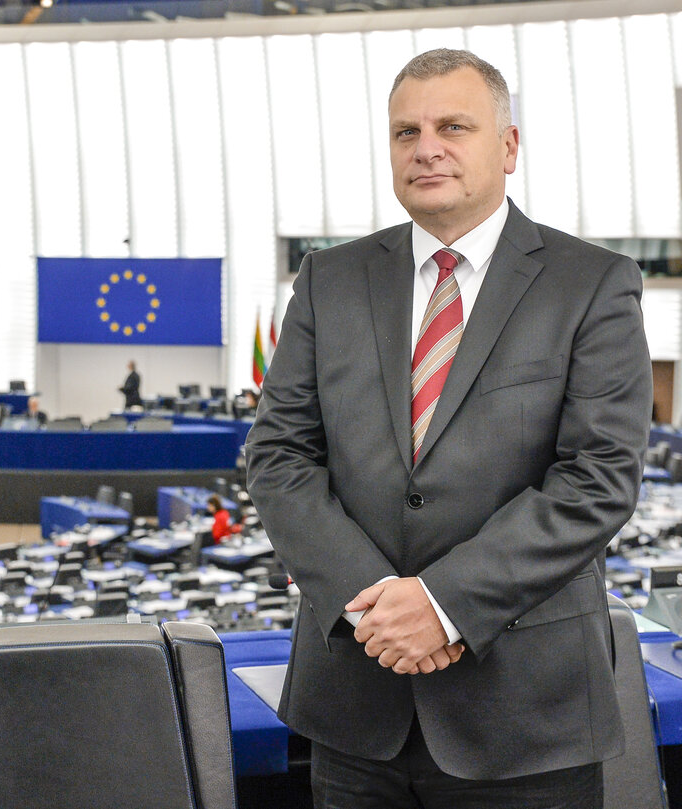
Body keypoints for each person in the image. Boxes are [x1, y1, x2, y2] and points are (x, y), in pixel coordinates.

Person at [244, 49, 651, 807]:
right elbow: (277, 456)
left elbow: (597, 481)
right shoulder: (329, 279)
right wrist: (376, 601)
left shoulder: (592, 283)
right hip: (356, 707)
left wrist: (442, 603)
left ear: (508, 146)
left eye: (452, 126)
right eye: (406, 132)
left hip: (526, 719)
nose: (425, 146)